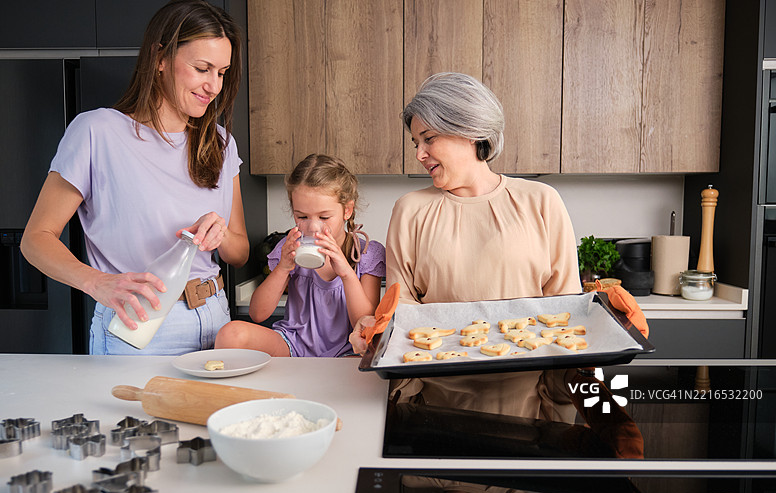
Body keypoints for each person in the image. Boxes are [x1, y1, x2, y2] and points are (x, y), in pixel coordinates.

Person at [20, 0, 249, 355]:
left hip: (216, 319)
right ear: (160, 58)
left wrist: (219, 234)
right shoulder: (97, 131)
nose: (213, 85)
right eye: (202, 68)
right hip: (139, 326)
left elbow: (240, 252)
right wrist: (97, 283)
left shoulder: (219, 142)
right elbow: (35, 239)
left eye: (222, 72)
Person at [350, 72, 583, 420]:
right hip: (433, 411)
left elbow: (565, 314)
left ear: (471, 131)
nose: (420, 154)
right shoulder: (410, 210)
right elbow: (404, 311)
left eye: (429, 138)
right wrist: (375, 331)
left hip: (529, 409)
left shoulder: (541, 201)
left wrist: (559, 421)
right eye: (416, 143)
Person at [215, 154, 385, 357]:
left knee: (366, 360)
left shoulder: (367, 254)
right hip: (293, 344)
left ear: (347, 210)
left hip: (348, 350)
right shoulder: (289, 248)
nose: (312, 227)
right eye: (302, 216)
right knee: (231, 333)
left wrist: (346, 273)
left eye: (324, 217)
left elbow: (365, 326)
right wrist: (283, 268)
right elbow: (257, 314)